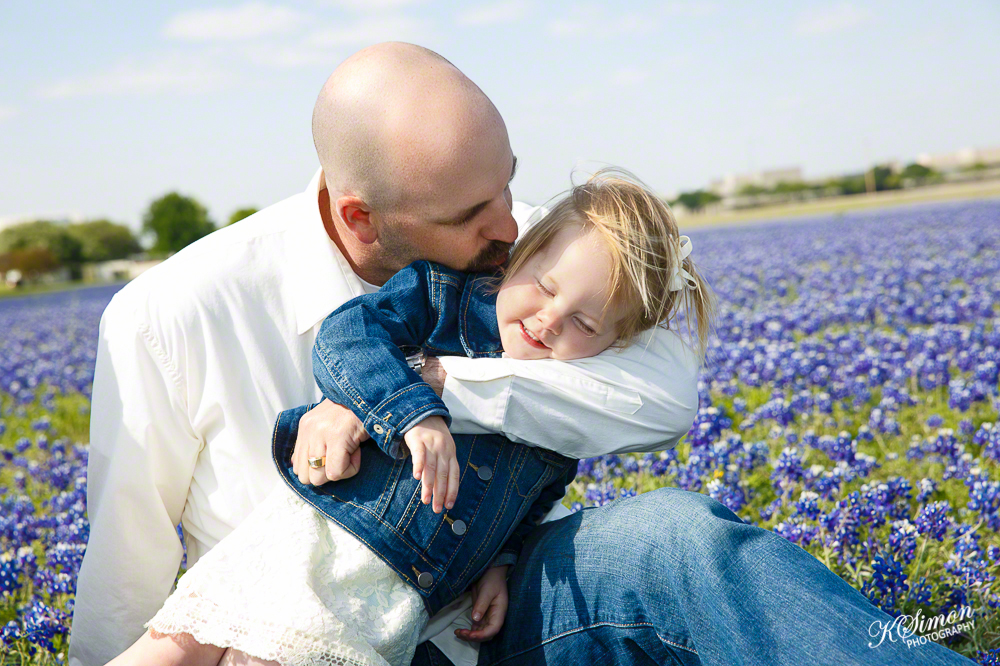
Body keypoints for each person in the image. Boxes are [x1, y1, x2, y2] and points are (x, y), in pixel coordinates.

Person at [70, 43, 975, 666]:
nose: (510, 225)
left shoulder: (534, 250)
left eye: (509, 184)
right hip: (293, 630)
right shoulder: (170, 316)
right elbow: (124, 580)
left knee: (672, 539)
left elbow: (662, 394)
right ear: (361, 217)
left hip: (481, 615)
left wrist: (429, 388)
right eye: (474, 215)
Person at [107, 170, 713, 666]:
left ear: (612, 344)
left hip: (387, 592)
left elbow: (533, 494)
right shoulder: (442, 296)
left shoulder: (563, 401)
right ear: (517, 256)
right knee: (177, 643)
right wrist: (415, 412)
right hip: (315, 531)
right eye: (544, 286)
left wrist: (500, 564)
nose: (550, 320)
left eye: (584, 324)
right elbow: (347, 336)